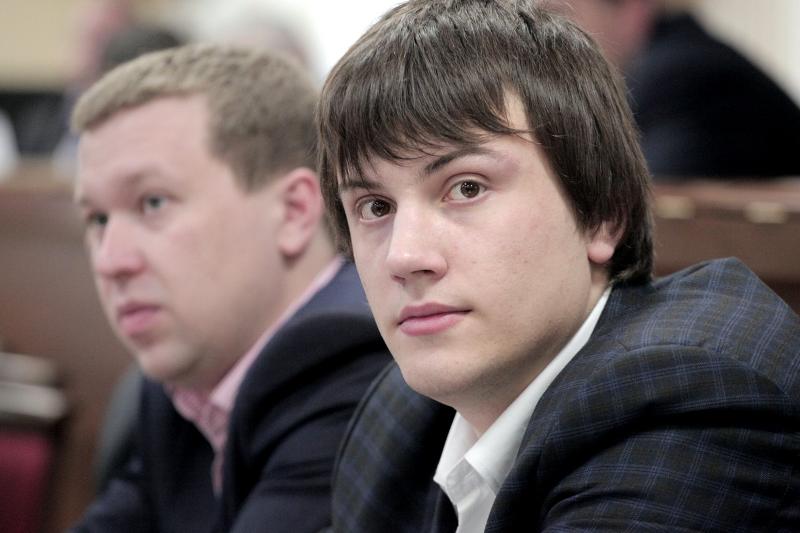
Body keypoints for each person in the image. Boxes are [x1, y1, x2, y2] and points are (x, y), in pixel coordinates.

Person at [315, 1, 800, 531]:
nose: (404, 257)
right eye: (375, 207)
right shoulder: (396, 421)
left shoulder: (691, 396)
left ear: (602, 214)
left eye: (467, 188)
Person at [69, 44, 389, 532]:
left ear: (293, 212)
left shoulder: (355, 366)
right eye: (98, 219)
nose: (110, 261)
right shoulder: (188, 375)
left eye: (153, 203)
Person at [544, 0, 800, 179]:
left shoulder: (686, 77)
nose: (545, 39)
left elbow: (628, 199)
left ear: (633, 10)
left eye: (559, 15)